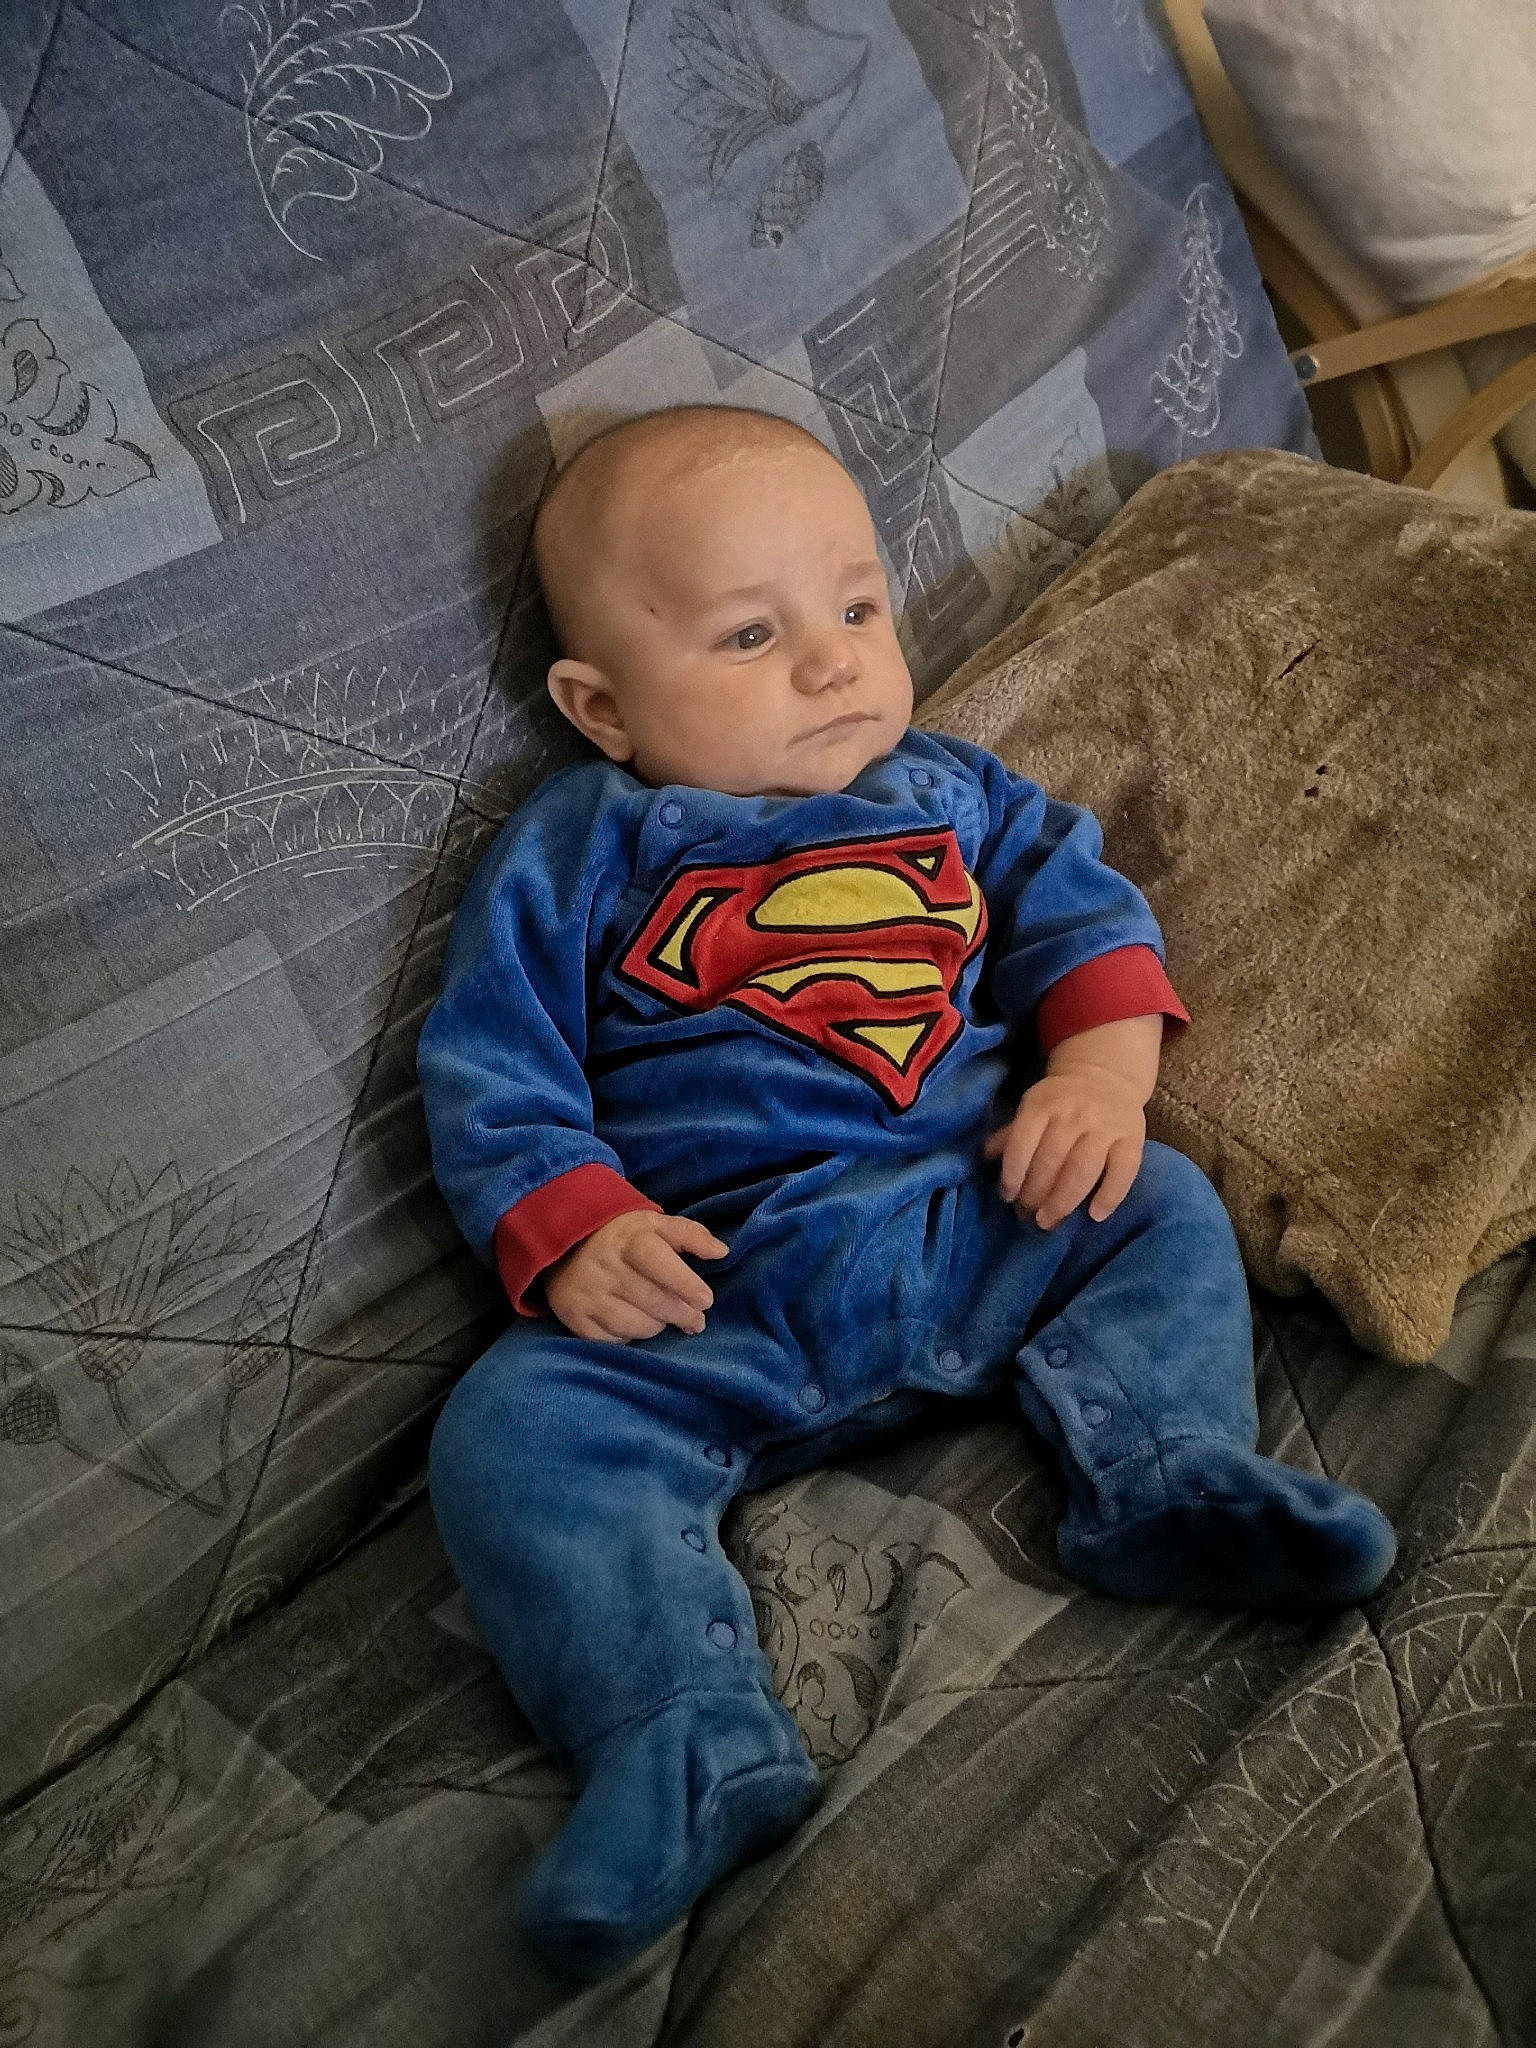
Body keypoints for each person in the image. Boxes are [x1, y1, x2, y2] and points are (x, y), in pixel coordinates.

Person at [416, 404, 1396, 1980]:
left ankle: (1165, 1474)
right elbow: (492, 1065)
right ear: (601, 705)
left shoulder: (955, 794)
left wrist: (1094, 1083)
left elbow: (1093, 933)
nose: (832, 664)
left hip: (969, 1216)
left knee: (1156, 1202)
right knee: (510, 1429)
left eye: (857, 609)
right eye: (751, 634)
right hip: (712, 1293)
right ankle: (677, 1729)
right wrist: (577, 1223)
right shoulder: (577, 848)